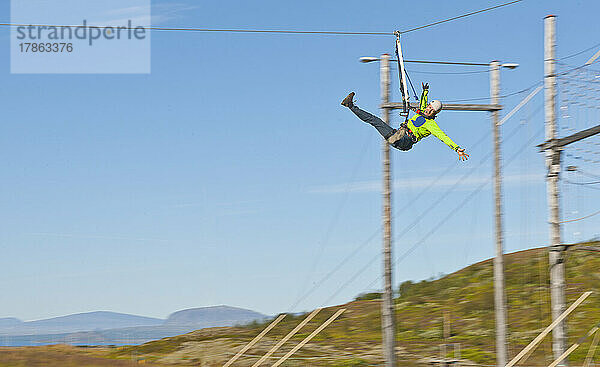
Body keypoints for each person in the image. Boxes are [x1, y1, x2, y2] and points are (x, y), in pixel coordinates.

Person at [341, 84, 469, 161]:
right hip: (399, 135)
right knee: (375, 120)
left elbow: (443, 137)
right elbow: (423, 103)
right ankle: (350, 106)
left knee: (376, 121)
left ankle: (350, 106)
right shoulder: (423, 111)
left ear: (434, 114)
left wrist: (456, 148)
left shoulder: (431, 125)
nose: (428, 109)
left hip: (404, 141)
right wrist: (425, 92)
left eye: (431, 110)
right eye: (429, 107)